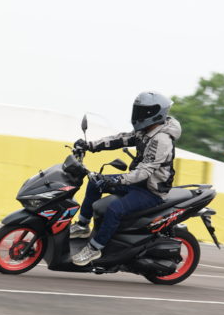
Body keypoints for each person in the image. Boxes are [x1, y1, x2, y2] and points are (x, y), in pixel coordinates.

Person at [70, 91, 182, 266]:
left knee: (115, 209)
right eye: (137, 110)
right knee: (95, 182)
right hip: (136, 182)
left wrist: (118, 180)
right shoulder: (146, 130)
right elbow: (120, 139)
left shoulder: (162, 139)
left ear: (154, 113)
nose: (137, 115)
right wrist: (90, 145)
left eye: (142, 111)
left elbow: (145, 171)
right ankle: (82, 226)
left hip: (151, 190)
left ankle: (94, 248)